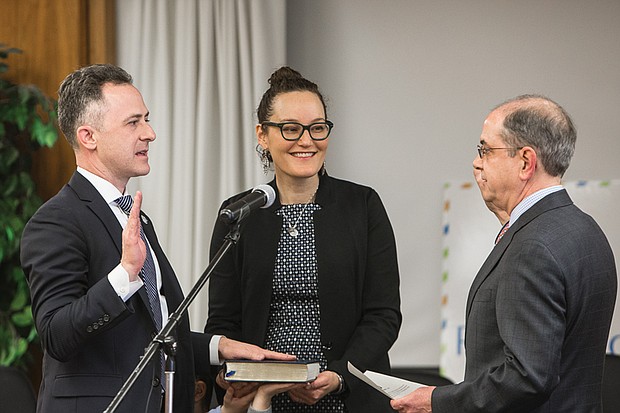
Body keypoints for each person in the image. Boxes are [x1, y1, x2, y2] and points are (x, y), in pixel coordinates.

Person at [20, 64, 293, 413]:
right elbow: (57, 335)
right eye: (133, 122)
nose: (149, 133)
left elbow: (144, 335)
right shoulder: (56, 221)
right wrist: (124, 275)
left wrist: (218, 347)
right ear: (89, 136)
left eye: (146, 119)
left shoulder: (134, 217)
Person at [391, 95, 618, 412]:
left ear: (526, 162)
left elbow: (527, 377)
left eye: (485, 149)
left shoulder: (533, 245)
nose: (476, 162)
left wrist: (436, 402)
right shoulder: (585, 229)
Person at [204, 66, 402, 412]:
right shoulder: (239, 214)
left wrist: (340, 376)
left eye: (317, 128)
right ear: (263, 135)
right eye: (291, 129)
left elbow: (383, 315)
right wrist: (231, 372)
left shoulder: (363, 205)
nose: (307, 140)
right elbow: (223, 320)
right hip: (262, 398)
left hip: (347, 392)